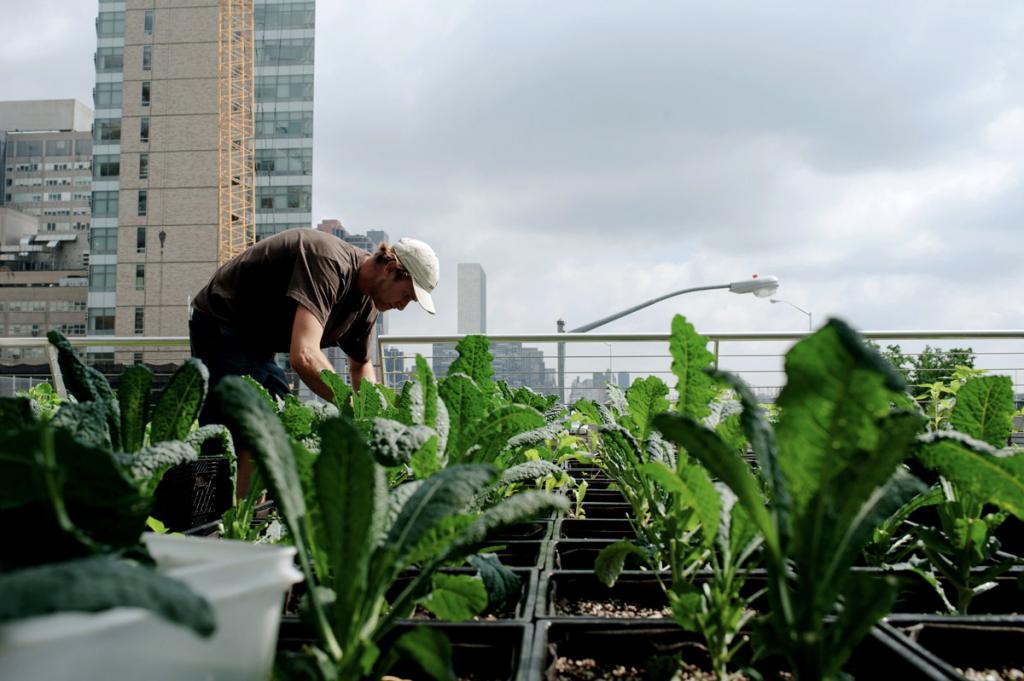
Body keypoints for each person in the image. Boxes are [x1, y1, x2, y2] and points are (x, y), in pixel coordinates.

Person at [189, 227, 439, 496]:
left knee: (285, 423)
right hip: (222, 324)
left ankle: (248, 516)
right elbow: (304, 355)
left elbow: (360, 365)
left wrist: (372, 419)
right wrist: (351, 407)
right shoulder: (329, 263)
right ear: (390, 269)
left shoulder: (367, 305)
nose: (402, 306)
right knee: (241, 429)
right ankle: (220, 520)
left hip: (259, 345)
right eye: (406, 295)